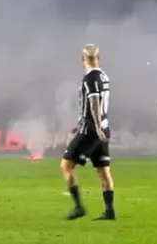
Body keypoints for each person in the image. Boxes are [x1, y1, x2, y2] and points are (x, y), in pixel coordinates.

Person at [60, 44, 116, 221]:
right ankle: (109, 211)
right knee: (103, 170)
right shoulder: (104, 76)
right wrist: (101, 127)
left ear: (83, 59)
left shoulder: (89, 78)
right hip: (104, 128)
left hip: (92, 129)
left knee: (66, 165)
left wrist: (96, 126)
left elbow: (94, 101)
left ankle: (78, 207)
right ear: (99, 57)